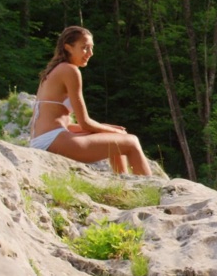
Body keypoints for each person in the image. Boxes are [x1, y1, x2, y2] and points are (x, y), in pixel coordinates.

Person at [30, 26, 152, 176]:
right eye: (85, 48)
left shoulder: (52, 71)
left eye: (91, 48)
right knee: (131, 141)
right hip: (52, 140)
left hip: (44, 139)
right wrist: (114, 130)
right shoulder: (70, 70)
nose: (90, 53)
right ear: (68, 48)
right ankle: (155, 191)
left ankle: (124, 182)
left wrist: (105, 128)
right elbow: (84, 122)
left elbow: (64, 123)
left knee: (116, 138)